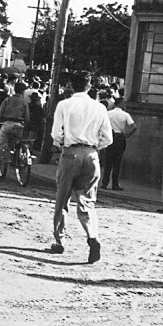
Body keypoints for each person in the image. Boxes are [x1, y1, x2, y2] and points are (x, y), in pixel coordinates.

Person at [50, 70, 112, 264]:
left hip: (70, 153)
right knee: (87, 201)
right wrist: (93, 148)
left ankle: (59, 241)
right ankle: (92, 236)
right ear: (89, 86)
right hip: (92, 154)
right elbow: (108, 138)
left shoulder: (64, 105)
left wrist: (63, 144)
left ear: (71, 85)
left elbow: (56, 134)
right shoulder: (99, 107)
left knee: (63, 199)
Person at [0, 81, 30, 178]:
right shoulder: (24, 102)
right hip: (18, 125)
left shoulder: (8, 100)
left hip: (7, 124)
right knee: (18, 143)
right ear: (23, 91)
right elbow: (27, 118)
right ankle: (16, 159)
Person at [101, 97, 136, 191]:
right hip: (120, 137)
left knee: (108, 161)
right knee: (117, 162)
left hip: (110, 136)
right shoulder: (125, 115)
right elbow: (134, 126)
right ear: (121, 104)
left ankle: (104, 183)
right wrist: (127, 135)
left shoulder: (108, 114)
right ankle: (115, 184)